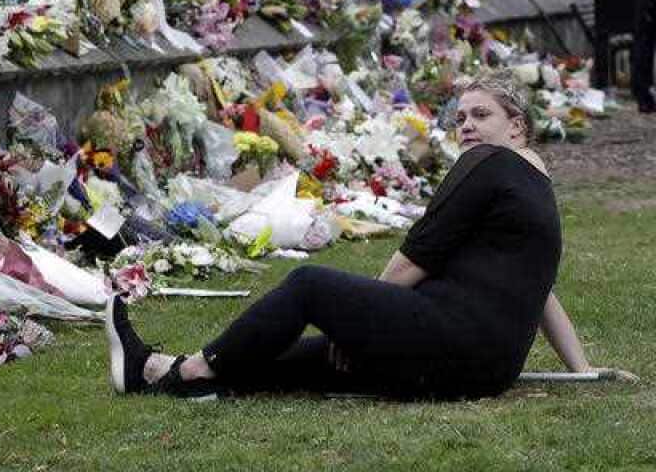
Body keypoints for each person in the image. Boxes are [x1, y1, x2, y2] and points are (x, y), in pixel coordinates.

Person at [107, 71, 633, 400]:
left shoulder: (488, 164)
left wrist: (356, 320)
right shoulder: (534, 185)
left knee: (309, 285)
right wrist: (582, 370)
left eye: (481, 115)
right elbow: (538, 288)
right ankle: (157, 372)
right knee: (312, 362)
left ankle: (197, 369)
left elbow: (417, 251)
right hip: (480, 364)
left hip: (456, 340)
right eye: (460, 117)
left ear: (516, 125)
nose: (466, 127)